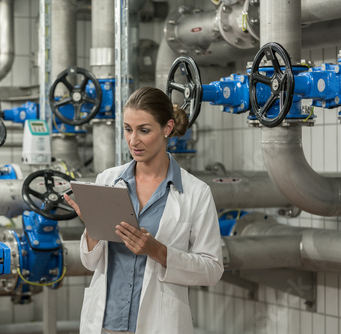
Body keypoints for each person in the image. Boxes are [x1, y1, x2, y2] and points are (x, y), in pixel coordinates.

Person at [64, 87, 224, 334]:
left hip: (159, 324)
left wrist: (158, 251)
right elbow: (90, 262)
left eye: (144, 130)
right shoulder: (107, 180)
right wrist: (93, 228)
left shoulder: (196, 192)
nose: (133, 140)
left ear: (167, 128)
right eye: (128, 129)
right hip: (105, 324)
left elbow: (212, 270)